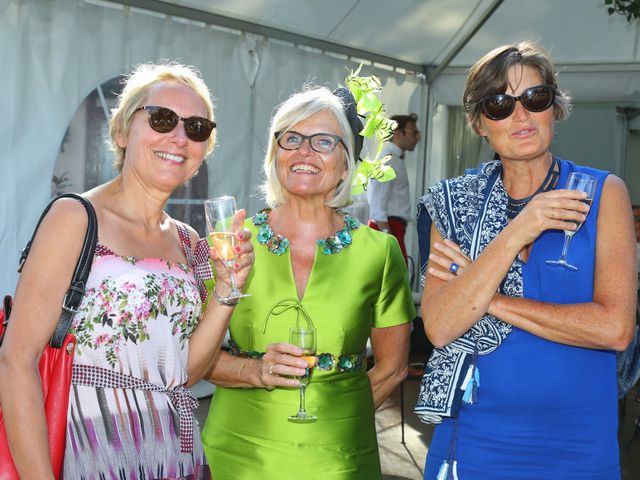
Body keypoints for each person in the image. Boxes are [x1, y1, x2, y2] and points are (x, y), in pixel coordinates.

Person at [0, 62, 254, 479]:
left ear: (202, 152)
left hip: (175, 454)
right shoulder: (76, 218)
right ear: (122, 132)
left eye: (196, 127)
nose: (179, 136)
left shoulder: (190, 241)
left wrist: (227, 289)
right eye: (162, 118)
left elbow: (184, 373)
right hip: (92, 451)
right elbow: (15, 360)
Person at [415, 41, 636, 479]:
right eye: (499, 104)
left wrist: (485, 299)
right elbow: (440, 326)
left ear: (554, 109)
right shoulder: (454, 205)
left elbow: (614, 329)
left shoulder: (602, 193)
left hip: (577, 445)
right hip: (473, 440)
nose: (519, 115)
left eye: (535, 98)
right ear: (479, 124)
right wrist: (520, 228)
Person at [201, 85, 415, 479]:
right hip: (239, 453)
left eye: (323, 141)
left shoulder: (380, 252)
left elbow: (394, 367)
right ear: (274, 155)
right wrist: (252, 372)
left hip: (340, 457)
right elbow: (194, 359)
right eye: (292, 139)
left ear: (345, 160)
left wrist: (340, 420)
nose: (304, 152)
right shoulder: (232, 246)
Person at [367, 113, 421, 262]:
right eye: (414, 132)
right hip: (386, 227)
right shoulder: (388, 160)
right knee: (392, 278)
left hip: (391, 227)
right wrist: (387, 234)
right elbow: (377, 203)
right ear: (397, 134)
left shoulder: (393, 159)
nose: (418, 137)